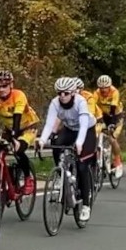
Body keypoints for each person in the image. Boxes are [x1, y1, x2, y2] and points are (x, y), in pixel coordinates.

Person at [36, 77, 97, 221]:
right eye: (59, 93)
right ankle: (60, 172)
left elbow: (83, 125)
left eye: (66, 93)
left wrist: (80, 143)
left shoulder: (80, 102)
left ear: (73, 93)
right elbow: (50, 123)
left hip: (86, 130)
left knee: (82, 165)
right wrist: (42, 140)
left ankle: (86, 205)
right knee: (57, 145)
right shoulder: (55, 103)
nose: (62, 96)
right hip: (69, 129)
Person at [0, 70, 39, 195]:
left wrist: (15, 137)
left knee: (18, 150)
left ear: (11, 85)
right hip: (9, 129)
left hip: (27, 127)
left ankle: (27, 178)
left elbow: (17, 117)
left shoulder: (19, 95)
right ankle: (3, 178)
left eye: (5, 86)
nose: (1, 89)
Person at [90, 75, 124, 178]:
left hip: (116, 115)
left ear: (109, 86)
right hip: (103, 115)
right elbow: (93, 107)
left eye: (106, 88)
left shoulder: (114, 92)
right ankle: (98, 160)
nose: (104, 90)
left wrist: (112, 124)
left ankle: (118, 162)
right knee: (96, 133)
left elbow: (113, 109)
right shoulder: (96, 93)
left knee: (112, 138)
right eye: (101, 88)